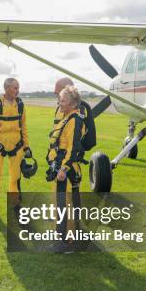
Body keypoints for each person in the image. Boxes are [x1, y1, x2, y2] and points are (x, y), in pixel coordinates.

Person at [46, 86, 86, 253]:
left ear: (73, 103)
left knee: (64, 205)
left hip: (66, 170)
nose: (59, 103)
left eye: (63, 100)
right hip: (62, 166)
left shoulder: (75, 121)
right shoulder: (67, 118)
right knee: (61, 204)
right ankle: (66, 238)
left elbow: (73, 148)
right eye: (59, 100)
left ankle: (65, 242)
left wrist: (63, 168)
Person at [0, 77, 32, 216]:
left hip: (17, 147)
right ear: (7, 88)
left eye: (18, 87)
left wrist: (26, 146)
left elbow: (23, 126)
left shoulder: (20, 104)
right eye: (15, 87)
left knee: (15, 177)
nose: (18, 90)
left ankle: (16, 204)